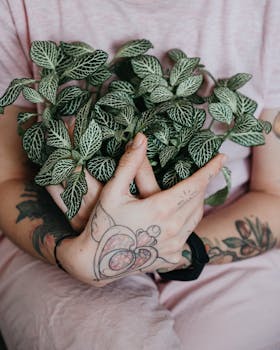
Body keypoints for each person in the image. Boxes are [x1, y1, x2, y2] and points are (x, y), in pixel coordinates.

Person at [0, 0, 280, 349]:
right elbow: (8, 178)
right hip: (61, 239)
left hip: (218, 243)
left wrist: (165, 248)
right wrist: (72, 253)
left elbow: (275, 196)